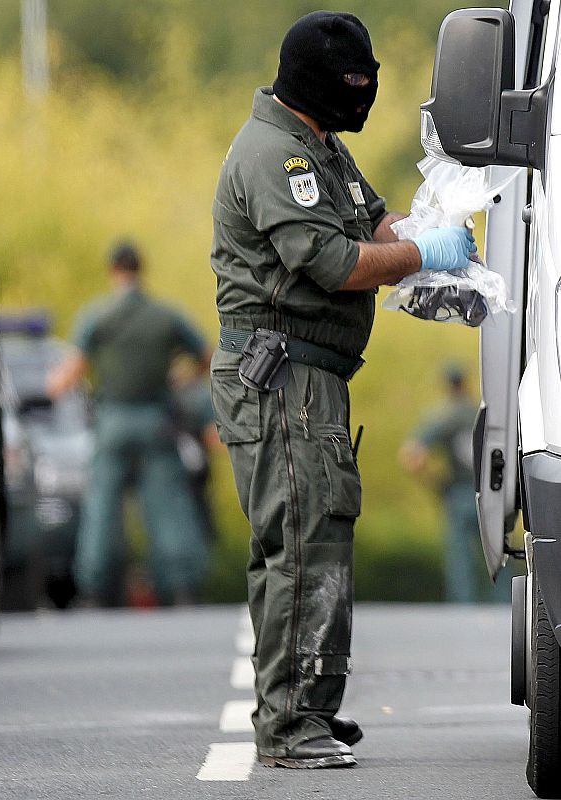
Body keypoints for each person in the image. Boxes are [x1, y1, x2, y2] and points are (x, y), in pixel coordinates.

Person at [209, 11, 477, 770]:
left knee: (312, 537)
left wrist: (425, 229)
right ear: (318, 84)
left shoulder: (320, 146)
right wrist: (419, 253)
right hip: (280, 375)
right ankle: (291, 725)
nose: (362, 97)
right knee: (301, 542)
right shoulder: (274, 153)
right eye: (353, 85)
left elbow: (370, 218)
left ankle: (305, 710)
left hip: (310, 378)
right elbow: (330, 260)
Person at [47, 241, 212, 606]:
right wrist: (181, 380)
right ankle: (181, 584)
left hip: (113, 421)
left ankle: (94, 586)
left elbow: (70, 373)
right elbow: (206, 355)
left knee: (102, 507)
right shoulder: (165, 315)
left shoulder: (98, 315)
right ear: (142, 269)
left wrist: (52, 386)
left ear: (112, 271)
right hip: (156, 419)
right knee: (168, 505)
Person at [399, 365, 509, 603]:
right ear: (465, 383)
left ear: (447, 385)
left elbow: (411, 456)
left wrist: (434, 482)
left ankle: (464, 609)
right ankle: (506, 606)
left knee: (460, 558)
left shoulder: (443, 416)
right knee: (496, 552)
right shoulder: (482, 413)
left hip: (458, 492)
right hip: (490, 490)